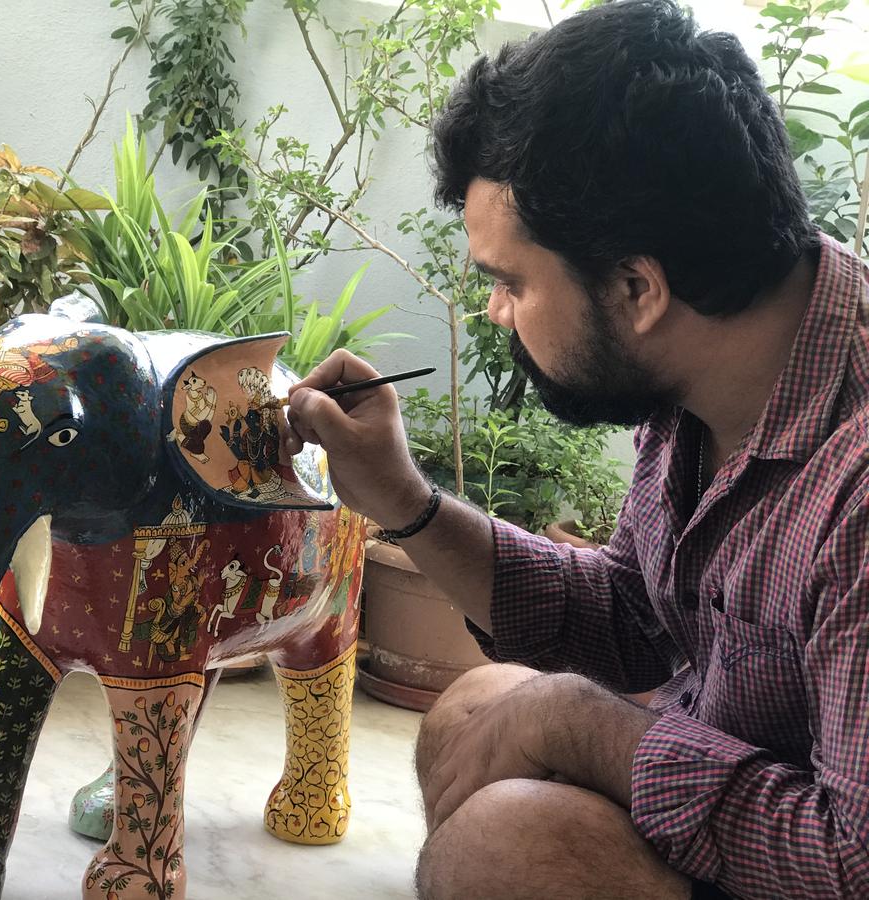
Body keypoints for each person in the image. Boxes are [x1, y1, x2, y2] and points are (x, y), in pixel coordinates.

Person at [281, 2, 869, 898]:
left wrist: (584, 728)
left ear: (637, 286)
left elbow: (850, 856)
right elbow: (630, 619)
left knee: (508, 846)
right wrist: (405, 499)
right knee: (471, 712)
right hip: (759, 783)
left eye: (512, 283)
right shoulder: (708, 357)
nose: (495, 312)